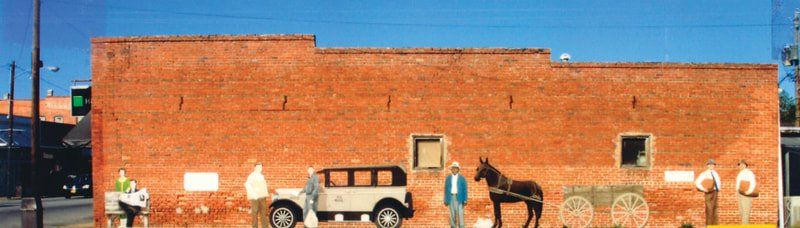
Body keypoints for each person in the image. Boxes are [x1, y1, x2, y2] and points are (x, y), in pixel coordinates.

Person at [694, 159, 721, 225]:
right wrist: (703, 189)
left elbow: (718, 182)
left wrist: (718, 189)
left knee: (714, 209)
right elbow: (697, 182)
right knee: (709, 209)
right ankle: (709, 225)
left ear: (714, 166)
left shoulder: (716, 173)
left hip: (715, 192)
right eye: (710, 164)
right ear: (707, 165)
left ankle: (715, 226)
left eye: (713, 164)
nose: (711, 166)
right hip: (708, 192)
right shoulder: (705, 173)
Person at [244, 163, 270, 228]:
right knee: (254, 213)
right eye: (258, 167)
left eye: (261, 167)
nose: (260, 168)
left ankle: (265, 227)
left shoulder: (262, 176)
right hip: (255, 198)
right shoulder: (252, 175)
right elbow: (247, 184)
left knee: (263, 214)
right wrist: (253, 194)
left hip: (262, 197)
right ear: (255, 168)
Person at [444, 161, 468, 228]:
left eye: (456, 168)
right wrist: (446, 200)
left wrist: (465, 200)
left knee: (460, 214)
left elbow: (464, 190)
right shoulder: (448, 178)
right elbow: (446, 190)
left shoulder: (462, 178)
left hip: (459, 198)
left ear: (458, 169)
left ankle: (461, 226)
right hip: (451, 197)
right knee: (452, 215)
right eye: (453, 168)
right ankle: (453, 226)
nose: (454, 169)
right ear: (451, 169)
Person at [735, 159, 757, 224]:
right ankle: (746, 224)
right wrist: (737, 191)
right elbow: (738, 183)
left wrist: (749, 191)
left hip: (746, 193)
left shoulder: (749, 172)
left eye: (743, 164)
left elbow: (753, 182)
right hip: (740, 193)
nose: (741, 166)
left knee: (745, 212)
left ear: (746, 165)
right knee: (741, 211)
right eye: (740, 165)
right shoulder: (740, 173)